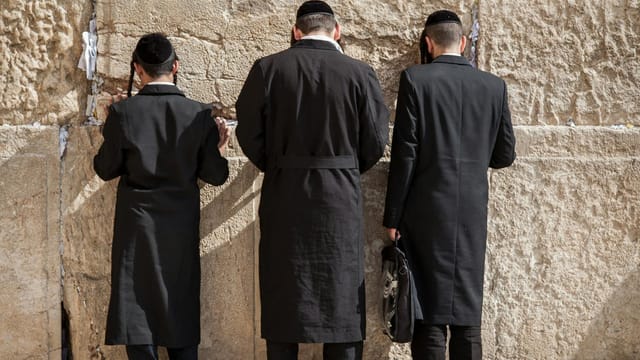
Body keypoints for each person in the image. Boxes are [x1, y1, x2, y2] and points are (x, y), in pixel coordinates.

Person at [235, 1, 389, 359]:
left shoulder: (268, 69)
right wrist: (344, 168)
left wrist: (279, 166)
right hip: (338, 200)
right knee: (341, 299)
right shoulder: (360, 73)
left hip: (284, 196)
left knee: (283, 298)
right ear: (337, 32)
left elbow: (249, 132)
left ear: (295, 31)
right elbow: (376, 141)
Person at [383, 10, 516, 360]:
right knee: (467, 312)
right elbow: (504, 155)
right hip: (472, 212)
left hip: (425, 211)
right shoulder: (494, 86)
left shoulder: (415, 79)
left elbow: (404, 156)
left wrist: (392, 216)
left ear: (428, 43)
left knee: (428, 310)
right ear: (463, 41)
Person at [93, 33, 230, 360]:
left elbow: (105, 169)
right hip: (180, 228)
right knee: (179, 307)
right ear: (176, 67)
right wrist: (218, 149)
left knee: (137, 310)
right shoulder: (199, 115)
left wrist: (107, 127)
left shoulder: (124, 114)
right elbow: (215, 175)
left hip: (136, 228)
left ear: (138, 70)